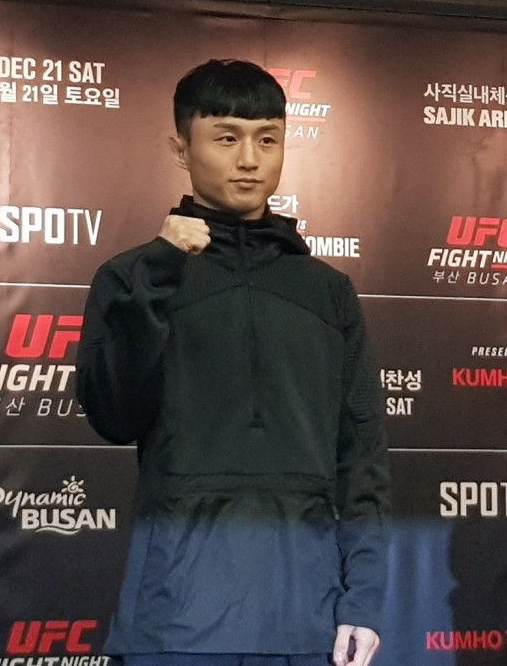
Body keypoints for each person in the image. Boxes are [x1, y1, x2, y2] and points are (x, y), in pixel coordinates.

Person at [76, 59, 389, 666]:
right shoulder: (129, 277)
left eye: (267, 139)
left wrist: (365, 599)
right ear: (180, 147)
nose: (249, 159)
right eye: (226, 137)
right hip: (173, 615)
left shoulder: (328, 292)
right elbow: (113, 416)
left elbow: (362, 458)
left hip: (306, 614)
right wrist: (162, 273)